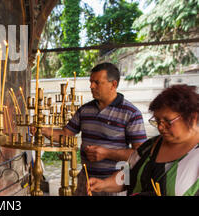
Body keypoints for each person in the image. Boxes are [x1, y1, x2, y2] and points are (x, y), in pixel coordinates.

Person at [33, 62, 147, 195]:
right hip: (86, 179)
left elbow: (140, 155)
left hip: (116, 183)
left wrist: (106, 153)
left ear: (113, 84)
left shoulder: (131, 113)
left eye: (97, 82)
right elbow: (65, 134)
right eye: (91, 82)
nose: (91, 86)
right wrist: (43, 130)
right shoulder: (85, 110)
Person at [89, 84, 198, 196]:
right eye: (157, 121)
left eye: (167, 121)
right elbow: (127, 175)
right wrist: (103, 184)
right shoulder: (150, 146)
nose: (160, 127)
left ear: (193, 118)